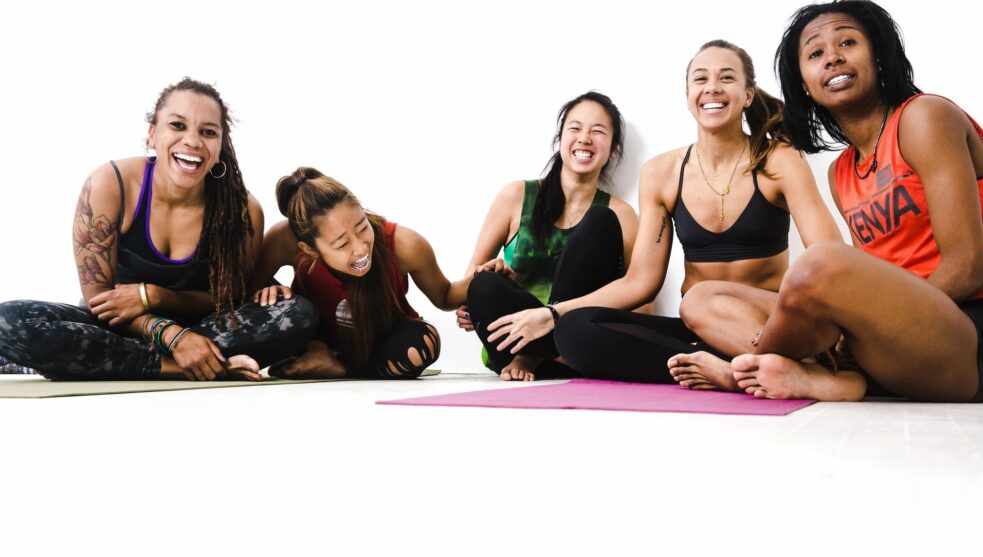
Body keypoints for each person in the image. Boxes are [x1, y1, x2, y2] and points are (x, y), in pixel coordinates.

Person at [726, 0, 983, 402]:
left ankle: (747, 368)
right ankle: (832, 378)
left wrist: (865, 329)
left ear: (880, 57)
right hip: (901, 335)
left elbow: (968, 269)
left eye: (847, 42)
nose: (832, 58)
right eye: (815, 54)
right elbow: (871, 277)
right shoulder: (841, 173)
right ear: (803, 85)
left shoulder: (924, 117)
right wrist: (859, 326)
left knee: (820, 263)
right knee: (705, 297)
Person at [498, 42, 840, 385]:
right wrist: (553, 313)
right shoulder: (661, 173)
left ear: (748, 94)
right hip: (697, 330)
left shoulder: (778, 161)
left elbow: (830, 257)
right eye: (700, 78)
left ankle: (757, 365)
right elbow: (641, 282)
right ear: (688, 94)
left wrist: (837, 327)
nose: (712, 88)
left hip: (763, 327)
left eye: (727, 78)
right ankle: (729, 369)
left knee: (696, 302)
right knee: (574, 331)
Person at [0, 78, 316, 381]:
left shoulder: (243, 211)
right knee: (6, 321)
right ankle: (182, 366)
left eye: (208, 131)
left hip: (204, 330)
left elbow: (228, 299)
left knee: (298, 314)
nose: (192, 141)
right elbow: (99, 301)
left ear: (221, 145)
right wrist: (172, 337)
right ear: (152, 133)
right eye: (177, 125)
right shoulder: (110, 185)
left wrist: (154, 296)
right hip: (122, 326)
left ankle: (90, 361)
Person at [253, 168, 510, 379]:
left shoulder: (405, 244)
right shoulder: (283, 239)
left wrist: (483, 277)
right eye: (342, 244)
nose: (360, 247)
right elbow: (246, 284)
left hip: (378, 344)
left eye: (362, 227)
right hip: (315, 341)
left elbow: (444, 296)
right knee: (288, 318)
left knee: (424, 344)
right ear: (308, 248)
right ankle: (321, 356)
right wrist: (269, 287)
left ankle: (340, 369)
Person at [459, 91, 640, 381]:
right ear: (560, 139)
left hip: (577, 343)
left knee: (600, 221)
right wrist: (473, 304)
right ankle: (534, 352)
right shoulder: (515, 196)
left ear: (613, 150)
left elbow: (639, 300)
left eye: (598, 131)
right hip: (512, 343)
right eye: (575, 128)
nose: (584, 138)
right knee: (483, 286)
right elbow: (470, 279)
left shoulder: (621, 215)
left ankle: (534, 356)